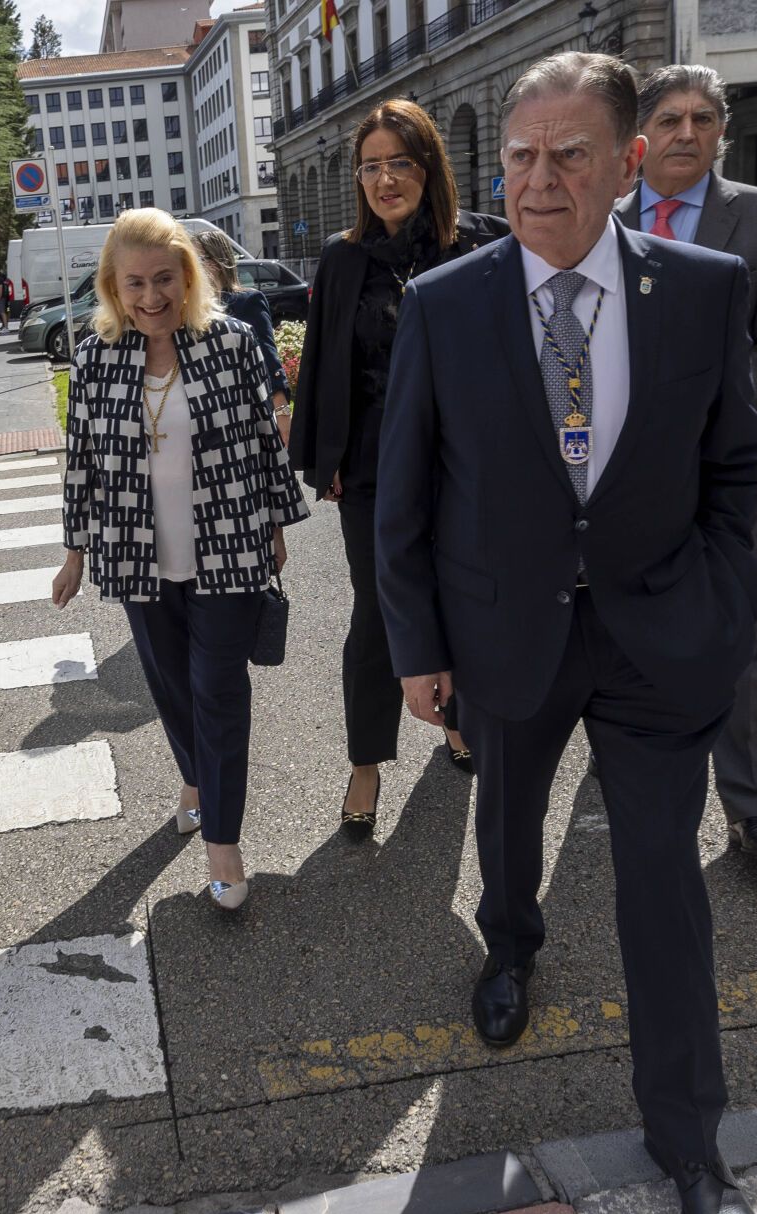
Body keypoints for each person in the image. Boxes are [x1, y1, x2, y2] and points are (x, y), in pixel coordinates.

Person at [377, 53, 757, 1214]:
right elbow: (405, 497)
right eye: (518, 156)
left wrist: (724, 600)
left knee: (663, 885)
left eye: (566, 155)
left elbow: (737, 465)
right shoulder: (447, 302)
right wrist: (418, 648)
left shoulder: (701, 288)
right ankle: (508, 945)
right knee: (506, 818)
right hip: (505, 636)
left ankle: (691, 1147)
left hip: (660, 638)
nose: (538, 180)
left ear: (625, 163)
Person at [52, 209, 308, 912]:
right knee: (168, 684)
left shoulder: (227, 342)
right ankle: (195, 777)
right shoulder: (98, 356)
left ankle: (222, 842)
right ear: (113, 285)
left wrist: (278, 522)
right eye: (134, 282)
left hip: (227, 542)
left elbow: (263, 436)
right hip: (138, 552)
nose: (150, 296)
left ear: (187, 277)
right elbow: (81, 462)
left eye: (164, 278)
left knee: (218, 689)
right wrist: (74, 549)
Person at [289, 98, 509, 840]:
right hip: (375, 472)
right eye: (371, 167)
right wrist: (327, 463)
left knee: (461, 602)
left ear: (428, 167)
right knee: (378, 615)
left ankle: (454, 721)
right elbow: (322, 366)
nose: (385, 180)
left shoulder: (483, 244)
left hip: (466, 469)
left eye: (400, 164)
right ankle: (366, 760)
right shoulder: (344, 256)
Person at [616, 63, 757, 859]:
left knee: (742, 625)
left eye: (703, 119)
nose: (687, 134)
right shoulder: (603, 214)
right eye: (670, 120)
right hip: (618, 467)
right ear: (641, 137)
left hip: (726, 463)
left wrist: (707, 425)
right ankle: (630, 752)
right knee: (624, 615)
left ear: (722, 131)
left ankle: (756, 801)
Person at [194, 229, 291, 423]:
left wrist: (281, 413)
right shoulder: (189, 309)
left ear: (214, 263)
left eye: (195, 260)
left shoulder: (246, 302)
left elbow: (268, 359)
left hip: (244, 411)